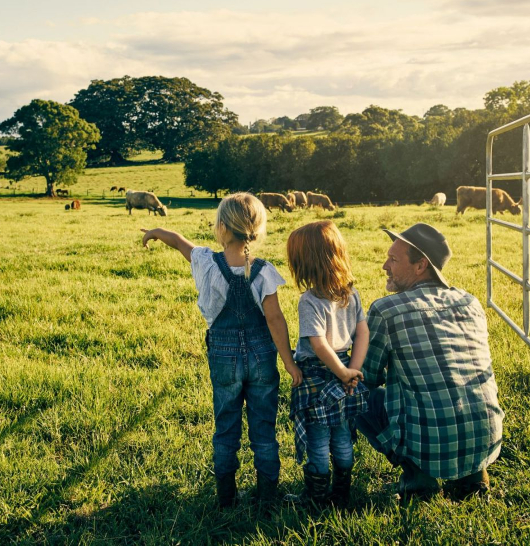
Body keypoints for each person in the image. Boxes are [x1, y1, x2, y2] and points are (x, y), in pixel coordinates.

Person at [140, 192, 302, 508]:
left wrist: (156, 233)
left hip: (223, 356)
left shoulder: (205, 261)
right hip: (261, 356)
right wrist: (289, 363)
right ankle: (268, 497)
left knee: (226, 426)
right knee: (264, 429)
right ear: (257, 228)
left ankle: (226, 498)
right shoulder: (264, 270)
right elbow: (275, 318)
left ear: (222, 227)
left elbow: (178, 242)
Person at [354, 222, 504, 499]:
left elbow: (367, 377)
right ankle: (473, 475)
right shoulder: (470, 302)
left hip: (431, 445)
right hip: (487, 439)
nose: (385, 266)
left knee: (354, 392)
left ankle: (418, 476)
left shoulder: (387, 310)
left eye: (393, 260)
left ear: (420, 265)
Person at [284, 220, 368, 507]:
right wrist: (351, 370)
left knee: (318, 440)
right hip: (345, 370)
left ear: (305, 263)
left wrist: (343, 372)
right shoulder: (351, 293)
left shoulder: (309, 300)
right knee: (343, 435)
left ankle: (316, 497)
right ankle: (341, 493)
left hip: (318, 377)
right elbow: (362, 332)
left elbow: (318, 345)